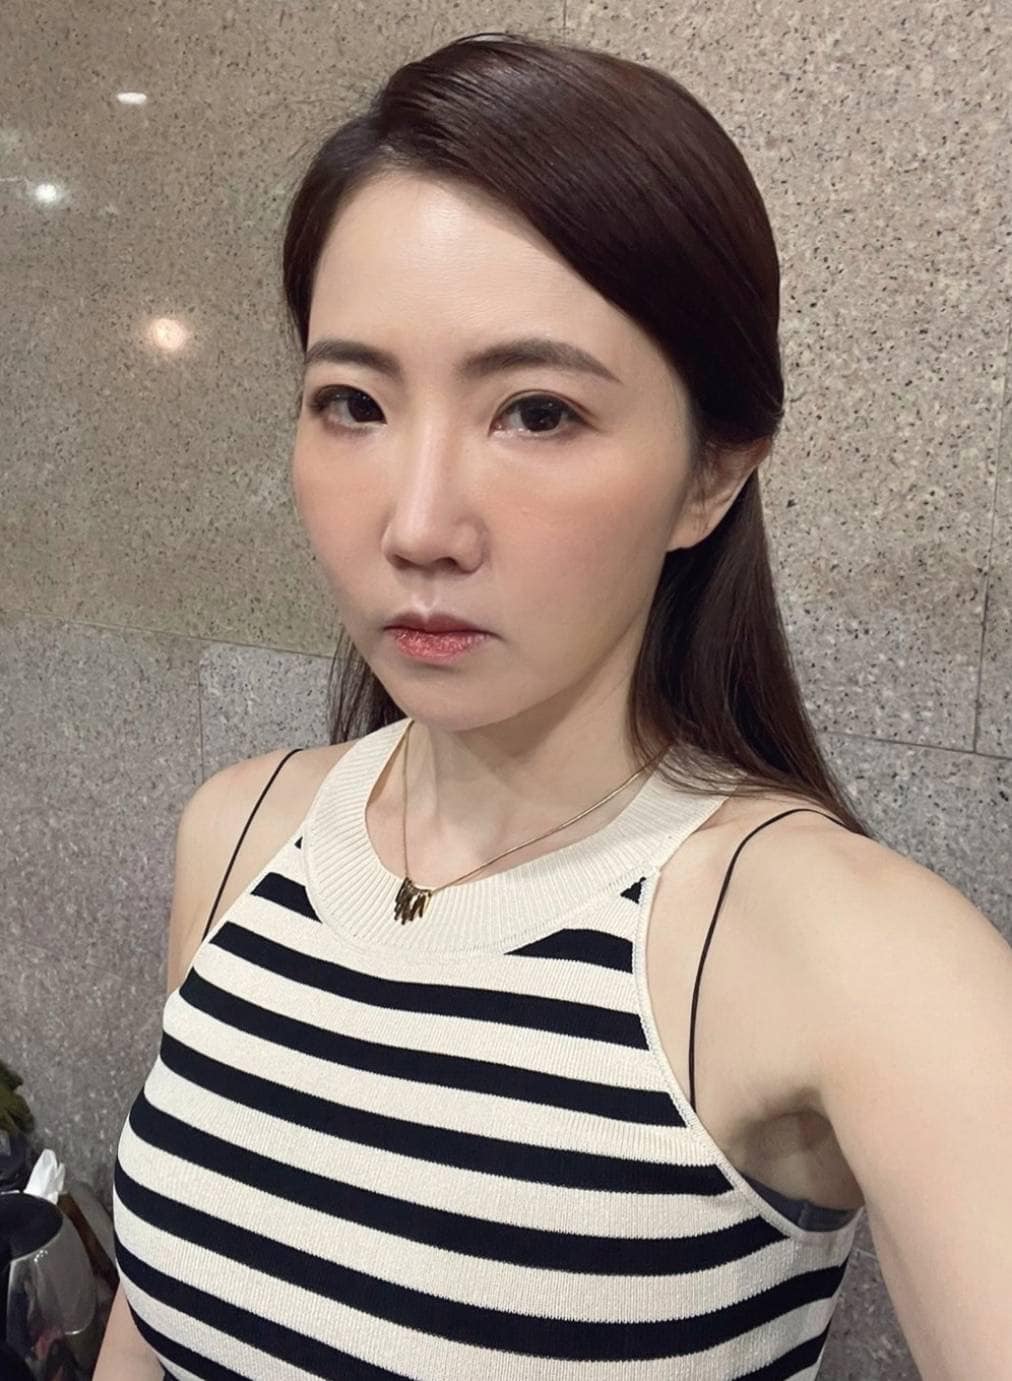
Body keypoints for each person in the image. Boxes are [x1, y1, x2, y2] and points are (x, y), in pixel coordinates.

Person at [95, 29, 1012, 1381]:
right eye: (352, 402)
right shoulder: (238, 835)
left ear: (711, 475)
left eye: (536, 412)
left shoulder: (852, 953)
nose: (418, 525)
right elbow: (159, 1316)